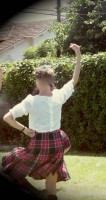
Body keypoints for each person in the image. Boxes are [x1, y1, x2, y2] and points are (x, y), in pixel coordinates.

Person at [1, 43, 81, 200]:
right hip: (56, 141)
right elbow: (74, 79)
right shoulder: (59, 96)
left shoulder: (31, 100)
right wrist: (78, 55)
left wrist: (24, 129)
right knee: (52, 175)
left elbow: (7, 118)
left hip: (38, 142)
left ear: (37, 82)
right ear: (51, 81)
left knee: (9, 163)